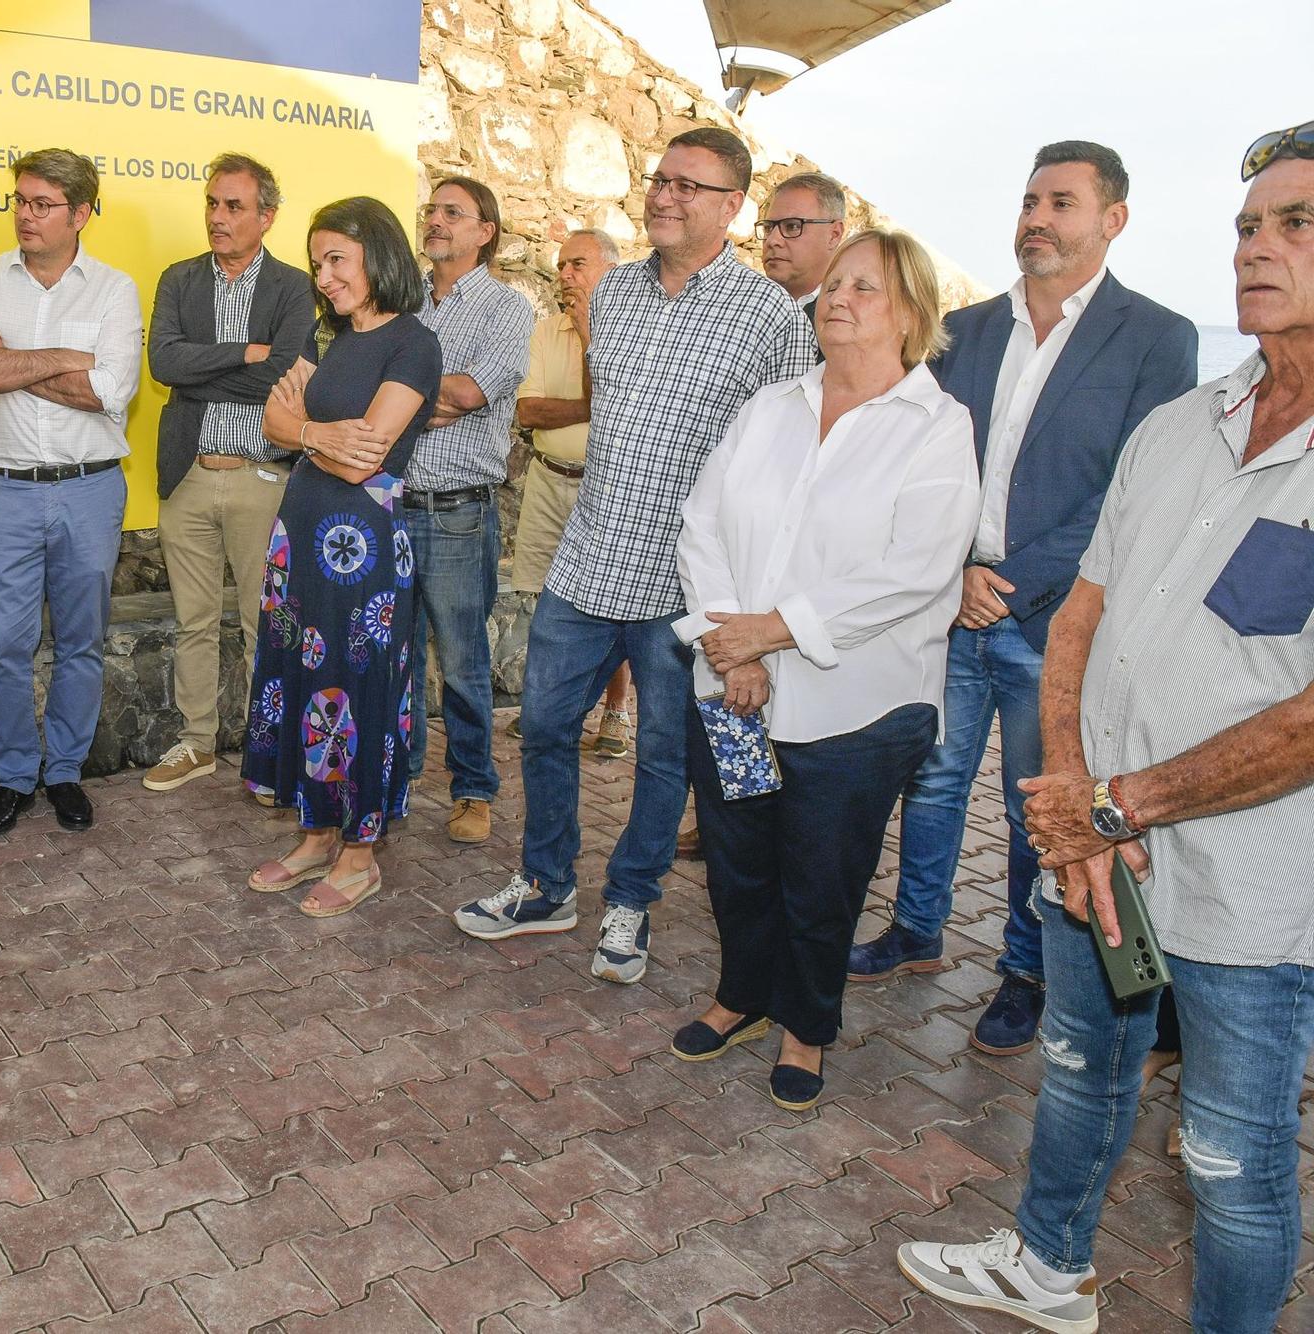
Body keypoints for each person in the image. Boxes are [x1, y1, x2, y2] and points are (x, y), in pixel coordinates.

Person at [898, 127, 1314, 1334]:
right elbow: (1080, 609)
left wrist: (1112, 806)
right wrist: (1072, 787)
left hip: (1250, 889)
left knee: (1229, 1164)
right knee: (1080, 1068)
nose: (1256, 246)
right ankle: (1045, 1265)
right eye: (1247, 224)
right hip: (1100, 849)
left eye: (1296, 224)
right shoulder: (1182, 424)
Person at [848, 142, 1198, 1058]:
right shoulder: (968, 328)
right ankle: (916, 930)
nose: (1037, 217)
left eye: (1062, 202)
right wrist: (955, 565)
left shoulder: (1158, 338)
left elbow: (1135, 486)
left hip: (1056, 619)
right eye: (1030, 199)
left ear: (1112, 220)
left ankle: (1024, 970)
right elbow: (925, 457)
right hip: (952, 601)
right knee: (929, 778)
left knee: (1033, 805)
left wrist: (1010, 586)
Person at [453, 127, 817, 986]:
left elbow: (791, 459)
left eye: (690, 186)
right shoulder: (610, 295)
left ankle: (631, 898)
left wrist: (756, 604)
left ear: (732, 207)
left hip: (685, 582)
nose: (665, 196)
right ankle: (546, 885)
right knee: (542, 728)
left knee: (664, 754)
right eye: (661, 180)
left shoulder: (767, 317)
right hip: (588, 561)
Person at [671, 229, 979, 1110]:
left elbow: (914, 570)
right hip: (730, 690)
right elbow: (702, 524)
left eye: (864, 288)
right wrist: (730, 645)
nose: (837, 297)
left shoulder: (938, 426)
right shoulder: (770, 405)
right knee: (735, 861)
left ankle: (806, 1025)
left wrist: (772, 633)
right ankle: (742, 995)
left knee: (822, 877)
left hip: (859, 710)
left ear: (912, 316)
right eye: (833, 283)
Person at [242, 196, 442, 916]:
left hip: (361, 557)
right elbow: (273, 417)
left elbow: (366, 460)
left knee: (356, 693)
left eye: (337, 260)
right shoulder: (331, 340)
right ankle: (317, 830)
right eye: (317, 261)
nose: (323, 277)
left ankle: (360, 855)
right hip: (299, 543)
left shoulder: (413, 343)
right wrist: (319, 435)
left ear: (378, 256)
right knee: (302, 677)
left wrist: (306, 431)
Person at [0, 148, 142, 839]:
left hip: (89, 490)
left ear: (81, 213)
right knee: (3, 639)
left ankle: (62, 772)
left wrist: (12, 360)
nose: (25, 215)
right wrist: (67, 360)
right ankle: (12, 777)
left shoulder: (113, 289)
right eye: (21, 201)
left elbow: (111, 391)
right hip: (5, 490)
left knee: (82, 639)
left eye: (42, 204)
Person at [143, 153, 316, 793]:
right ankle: (197, 745)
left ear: (266, 217)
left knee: (263, 623)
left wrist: (206, 369)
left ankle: (267, 751)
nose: (218, 217)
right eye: (213, 203)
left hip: (261, 478)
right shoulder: (180, 279)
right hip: (187, 474)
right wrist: (246, 353)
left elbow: (289, 372)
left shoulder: (294, 287)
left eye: (234, 206)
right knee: (192, 621)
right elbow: (164, 362)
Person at [406, 176, 533, 844]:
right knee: (392, 657)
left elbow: (473, 390)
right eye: (432, 210)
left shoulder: (507, 310)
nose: (436, 221)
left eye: (452, 213)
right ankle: (393, 781)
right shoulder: (405, 307)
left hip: (460, 513)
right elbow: (416, 393)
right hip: (391, 509)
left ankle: (473, 789)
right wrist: (433, 400)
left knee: (462, 662)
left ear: (485, 231)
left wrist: (402, 405)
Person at [509, 228, 632, 759]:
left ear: (609, 269)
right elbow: (527, 411)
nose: (564, 276)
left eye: (577, 265)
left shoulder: (630, 330)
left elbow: (617, 403)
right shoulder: (543, 331)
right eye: (561, 266)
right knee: (540, 597)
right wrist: (589, 407)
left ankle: (615, 712)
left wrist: (589, 333)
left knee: (614, 603)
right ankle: (546, 708)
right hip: (546, 477)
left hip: (602, 486)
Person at [760, 172, 847, 327]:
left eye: (792, 226)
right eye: (768, 228)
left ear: (834, 235)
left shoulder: (851, 318)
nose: (772, 240)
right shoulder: (743, 304)